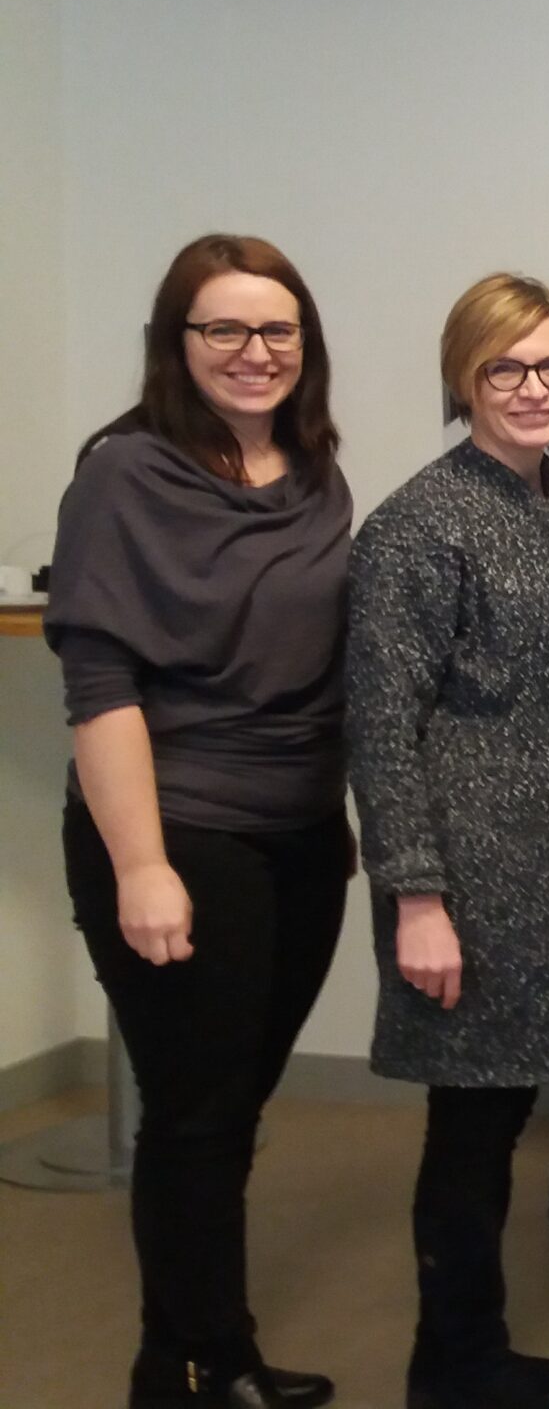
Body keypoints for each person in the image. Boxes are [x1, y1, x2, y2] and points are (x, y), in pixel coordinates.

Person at [44, 234, 352, 1409]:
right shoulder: (124, 474)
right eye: (223, 327)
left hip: (301, 836)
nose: (253, 351)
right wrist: (142, 866)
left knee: (226, 1113)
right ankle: (213, 1360)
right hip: (178, 832)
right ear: (177, 343)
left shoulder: (316, 474)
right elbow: (99, 685)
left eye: (277, 328)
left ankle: (168, 1363)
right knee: (196, 1116)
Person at [345, 274, 549, 1409]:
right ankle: (452, 1363)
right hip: (464, 872)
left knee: (501, 1116)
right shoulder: (421, 523)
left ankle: (468, 1349)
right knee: (471, 1129)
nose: (535, 387)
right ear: (464, 378)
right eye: (507, 367)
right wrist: (417, 897)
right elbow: (380, 724)